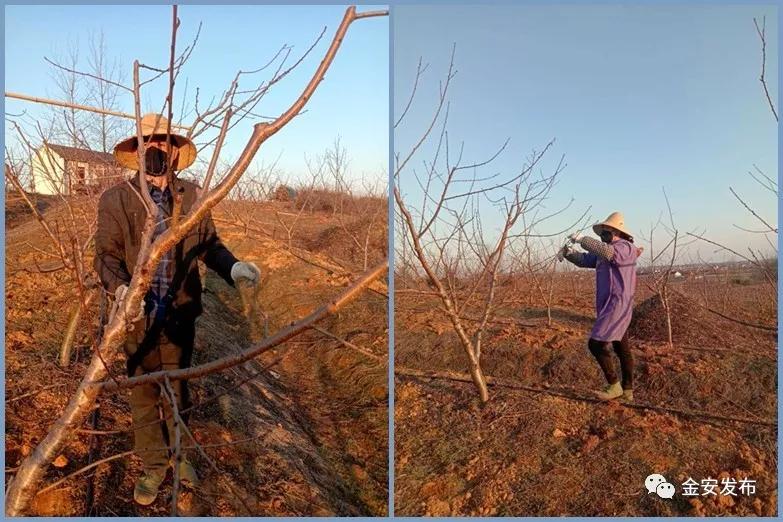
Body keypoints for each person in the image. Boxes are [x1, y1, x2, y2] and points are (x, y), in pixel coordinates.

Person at [94, 113, 261, 505]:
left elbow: (209, 244)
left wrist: (232, 266)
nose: (156, 149)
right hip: (135, 320)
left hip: (179, 313)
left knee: (178, 388)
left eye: (164, 142)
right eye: (147, 142)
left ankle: (181, 455)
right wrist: (121, 291)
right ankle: (153, 466)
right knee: (143, 395)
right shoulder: (116, 200)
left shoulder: (192, 197)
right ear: (136, 151)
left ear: (174, 150)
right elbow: (104, 256)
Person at [561, 212, 642, 402]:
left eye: (607, 232)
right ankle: (628, 391)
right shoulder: (607, 249)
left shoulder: (625, 247)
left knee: (596, 343)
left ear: (618, 232)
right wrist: (568, 253)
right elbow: (586, 260)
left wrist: (582, 239)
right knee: (621, 346)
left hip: (617, 303)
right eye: (602, 233)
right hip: (608, 303)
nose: (603, 236)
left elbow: (606, 253)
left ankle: (614, 386)